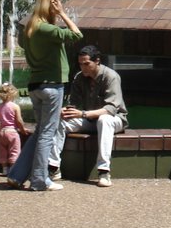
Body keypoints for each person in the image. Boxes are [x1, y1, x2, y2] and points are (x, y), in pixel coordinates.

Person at [6, 0, 82, 191]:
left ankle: (16, 175)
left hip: (36, 85)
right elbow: (76, 35)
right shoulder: (47, 29)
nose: (59, 7)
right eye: (56, 4)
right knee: (48, 133)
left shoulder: (31, 28)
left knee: (40, 131)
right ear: (50, 7)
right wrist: (63, 14)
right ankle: (40, 180)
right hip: (52, 85)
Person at [49, 44, 128, 187]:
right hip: (89, 120)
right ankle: (53, 168)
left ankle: (104, 171)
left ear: (97, 61)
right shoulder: (79, 77)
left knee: (104, 120)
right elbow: (73, 104)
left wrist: (83, 113)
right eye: (80, 64)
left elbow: (110, 108)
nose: (83, 67)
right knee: (60, 121)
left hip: (115, 119)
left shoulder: (111, 76)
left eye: (86, 64)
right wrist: (65, 110)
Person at [0, 82, 28, 176]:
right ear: (13, 94)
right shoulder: (15, 106)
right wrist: (23, 129)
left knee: (3, 151)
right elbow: (19, 121)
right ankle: (13, 170)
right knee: (14, 151)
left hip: (2, 132)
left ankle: (4, 170)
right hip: (12, 132)